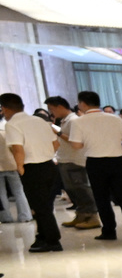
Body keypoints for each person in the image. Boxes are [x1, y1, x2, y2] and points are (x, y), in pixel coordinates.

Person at [63, 93, 122, 242]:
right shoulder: (114, 118)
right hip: (117, 161)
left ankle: (109, 231)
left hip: (95, 163)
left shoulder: (79, 122)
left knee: (102, 199)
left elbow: (76, 145)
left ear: (83, 104)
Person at [3, 92, 63, 252]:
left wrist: (20, 168)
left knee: (40, 207)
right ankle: (42, 237)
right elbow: (56, 144)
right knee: (44, 205)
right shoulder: (40, 121)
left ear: (5, 109)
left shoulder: (12, 124)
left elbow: (18, 149)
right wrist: (44, 154)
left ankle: (53, 241)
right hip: (49, 166)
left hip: (32, 168)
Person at [47, 96, 100, 229]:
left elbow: (75, 141)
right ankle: (81, 215)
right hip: (66, 159)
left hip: (74, 160)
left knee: (81, 189)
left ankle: (92, 217)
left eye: (52, 109)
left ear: (60, 107)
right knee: (73, 190)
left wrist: (58, 132)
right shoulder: (65, 120)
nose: (51, 112)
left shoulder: (73, 120)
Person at [0, 112, 27, 224]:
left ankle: (5, 217)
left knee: (1, 193)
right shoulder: (7, 128)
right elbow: (15, 148)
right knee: (19, 191)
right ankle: (25, 215)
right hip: (12, 164)